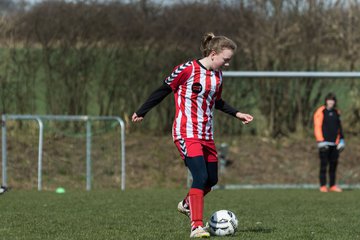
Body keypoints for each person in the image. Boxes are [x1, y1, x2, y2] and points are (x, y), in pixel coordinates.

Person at [132, 32, 253, 238]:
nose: (227, 64)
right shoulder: (186, 69)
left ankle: (187, 203)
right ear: (213, 54)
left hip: (206, 134)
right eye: (226, 60)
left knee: (211, 180)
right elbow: (163, 89)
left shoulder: (217, 76)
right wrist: (142, 111)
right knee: (200, 176)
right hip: (186, 132)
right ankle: (196, 226)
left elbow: (217, 101)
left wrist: (237, 113)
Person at [313, 93, 345, 193]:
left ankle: (332, 185)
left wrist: (341, 140)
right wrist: (320, 141)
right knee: (323, 165)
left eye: (332, 100)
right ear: (326, 101)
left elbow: (339, 127)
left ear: (334, 102)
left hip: (334, 143)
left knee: (333, 165)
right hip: (324, 143)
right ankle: (323, 186)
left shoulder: (336, 112)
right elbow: (317, 126)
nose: (331, 102)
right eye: (329, 100)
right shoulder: (321, 111)